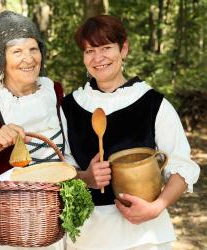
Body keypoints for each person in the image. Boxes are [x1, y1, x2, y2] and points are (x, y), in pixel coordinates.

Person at [62, 15, 200, 250]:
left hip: (144, 236)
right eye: (89, 51)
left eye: (106, 47)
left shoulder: (153, 104)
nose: (98, 58)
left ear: (123, 49)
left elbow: (182, 166)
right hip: (87, 236)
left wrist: (156, 207)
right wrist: (86, 177)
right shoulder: (69, 107)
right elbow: (60, 169)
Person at [0, 10, 72, 250]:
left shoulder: (55, 94)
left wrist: (87, 177)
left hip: (50, 230)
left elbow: (65, 162)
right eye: (17, 51)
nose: (28, 59)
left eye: (33, 49)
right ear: (1, 57)